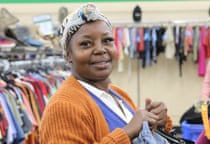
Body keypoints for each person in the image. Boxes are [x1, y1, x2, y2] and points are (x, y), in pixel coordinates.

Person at [39, 3, 171, 144]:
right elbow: (129, 133)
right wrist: (127, 132)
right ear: (68, 55)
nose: (101, 49)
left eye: (107, 40)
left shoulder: (117, 94)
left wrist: (155, 121)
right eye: (86, 44)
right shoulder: (63, 107)